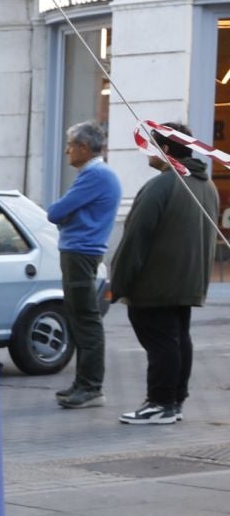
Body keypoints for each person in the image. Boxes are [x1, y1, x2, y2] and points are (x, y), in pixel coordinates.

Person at [109, 122, 218, 426]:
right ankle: (174, 401)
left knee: (161, 342)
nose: (146, 151)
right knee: (178, 339)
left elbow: (135, 239)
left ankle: (159, 403)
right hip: (188, 281)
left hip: (155, 283)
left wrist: (117, 285)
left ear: (165, 150)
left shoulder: (163, 185)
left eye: (150, 145)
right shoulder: (205, 185)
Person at [47, 121, 123, 410]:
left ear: (82, 147)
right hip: (80, 251)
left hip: (81, 252)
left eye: (70, 145)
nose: (66, 151)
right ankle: (83, 383)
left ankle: (91, 387)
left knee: (86, 319)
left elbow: (56, 212)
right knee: (80, 318)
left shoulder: (95, 175)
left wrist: (66, 215)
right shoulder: (96, 174)